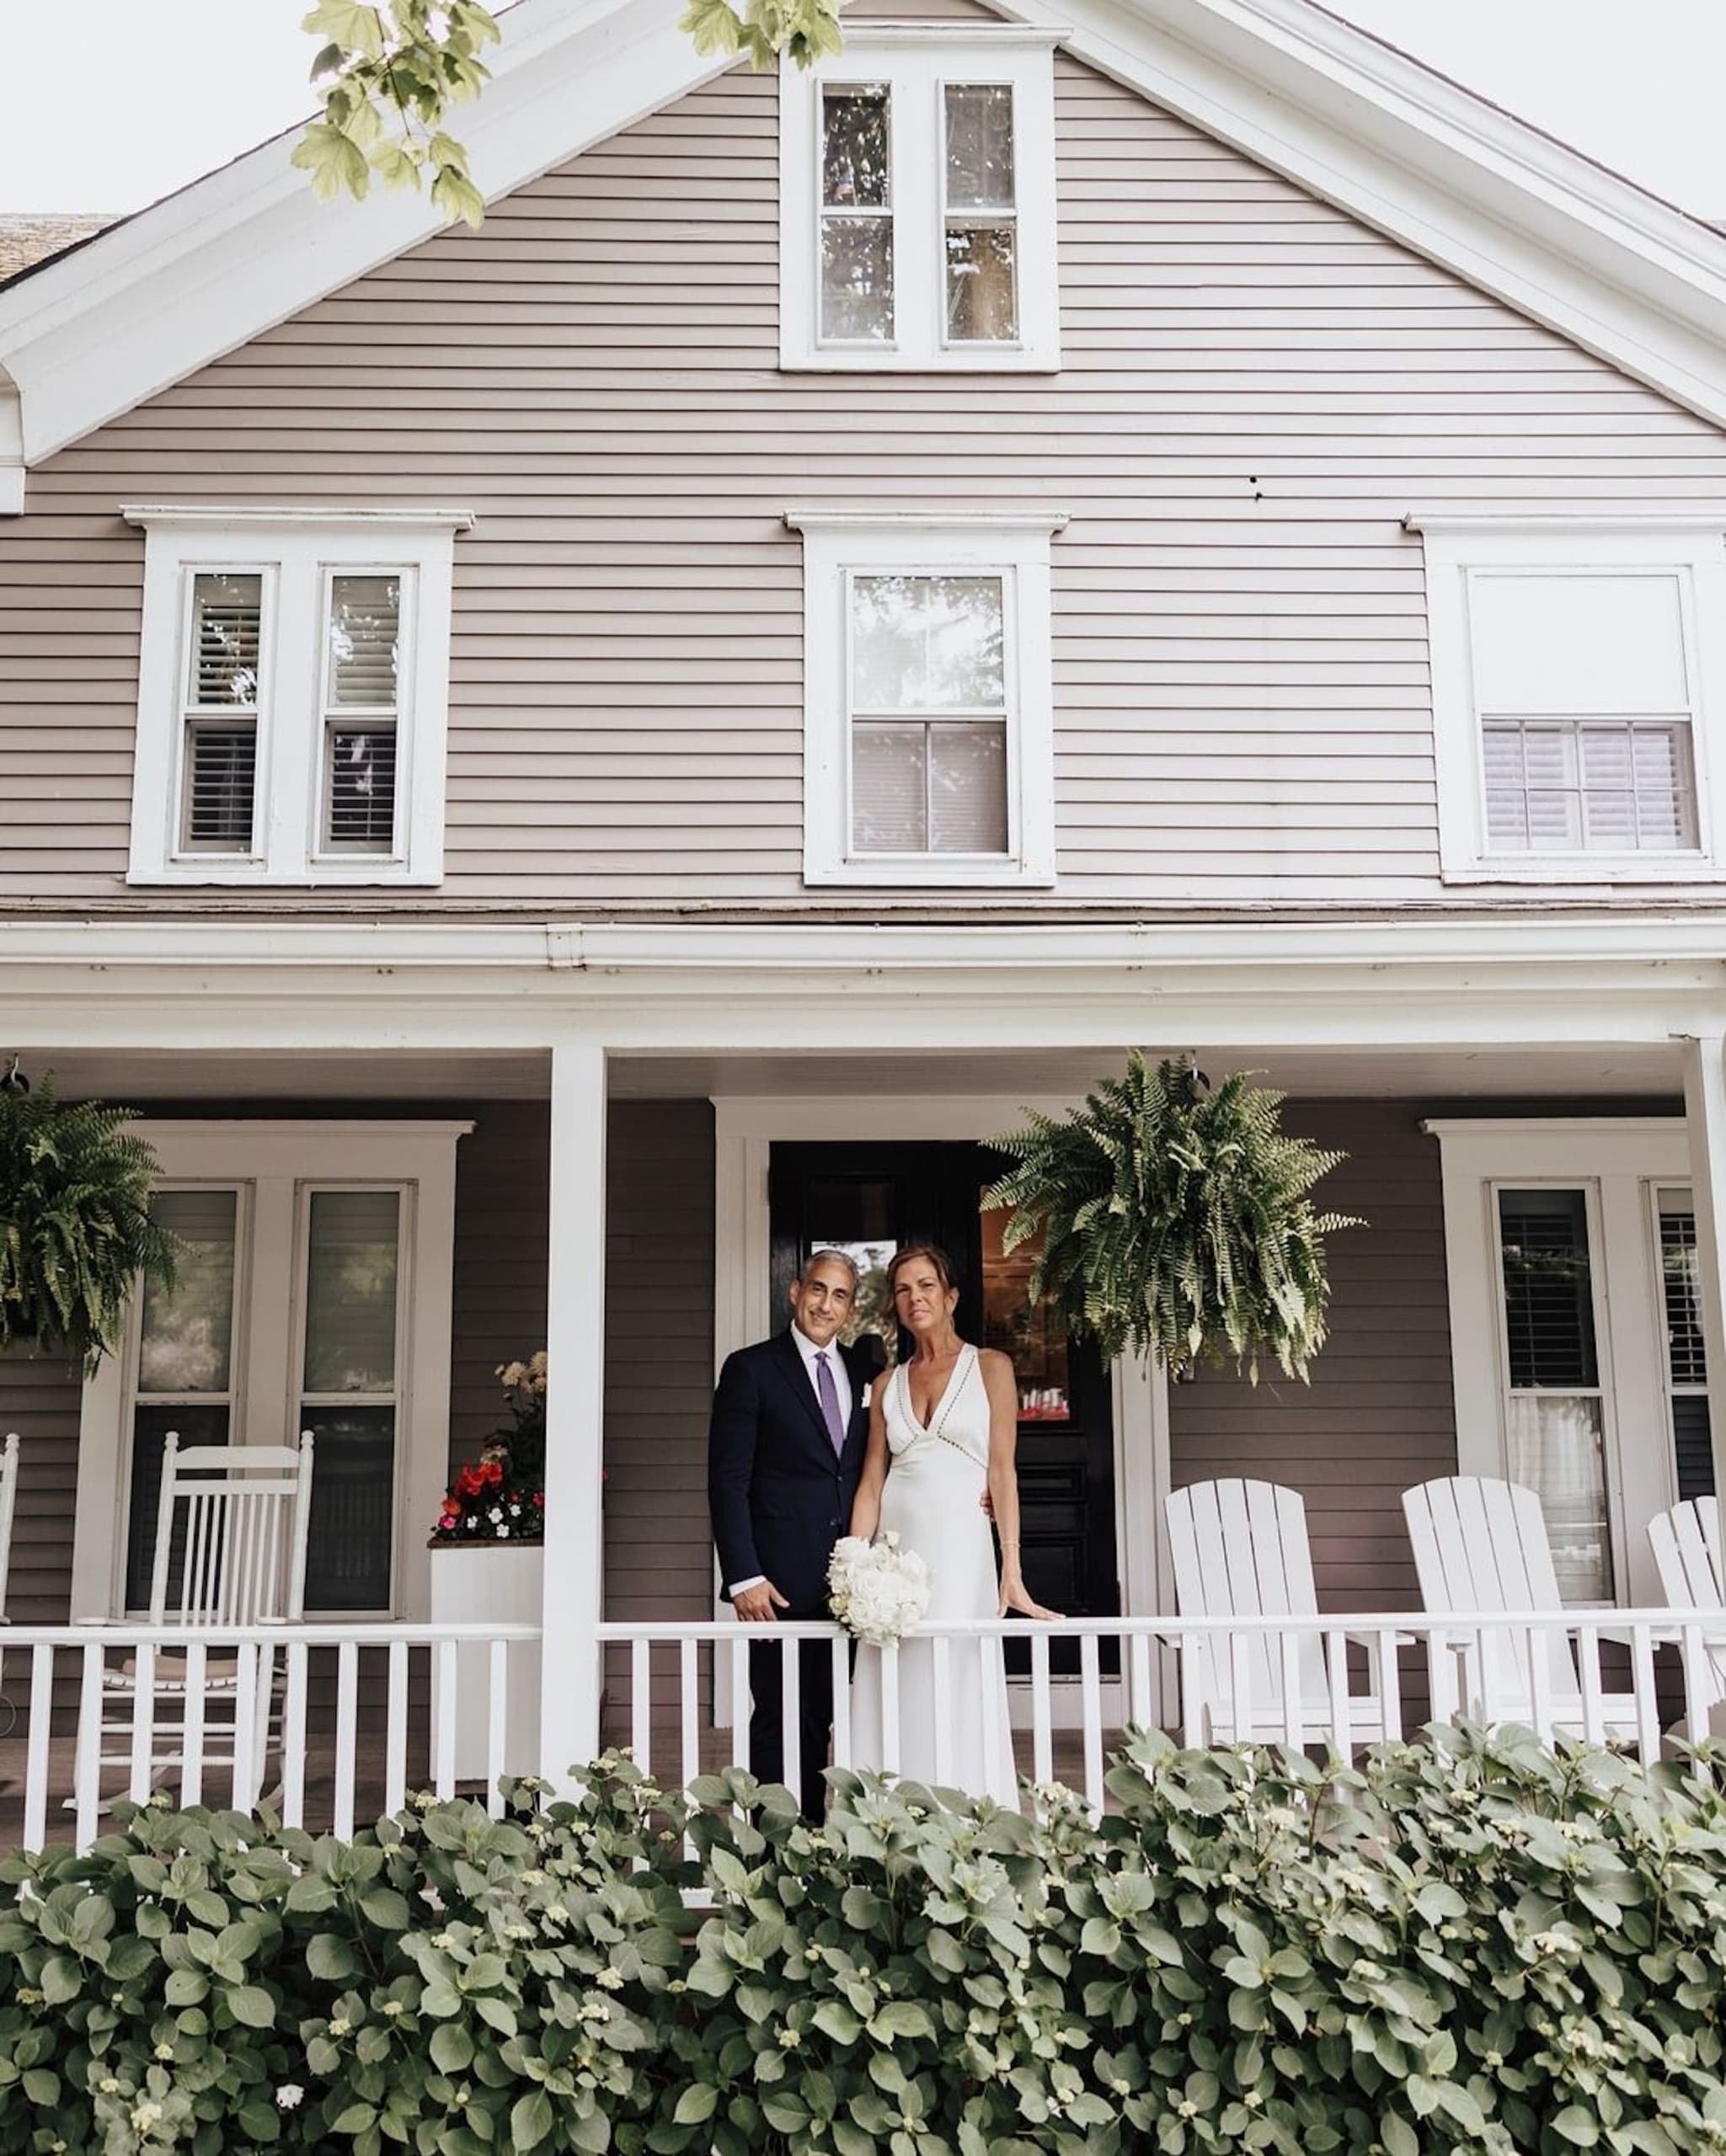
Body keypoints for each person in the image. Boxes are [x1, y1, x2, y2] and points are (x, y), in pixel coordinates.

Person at [847, 1244, 1057, 1806]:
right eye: (902, 1290)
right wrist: (851, 1563)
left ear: (951, 1296)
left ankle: (965, 1813)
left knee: (956, 1676)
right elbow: (871, 1479)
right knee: (895, 1673)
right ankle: (886, 1809)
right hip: (895, 1556)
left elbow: (1002, 1470)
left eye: (926, 1287)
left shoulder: (990, 1367)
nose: (914, 1298)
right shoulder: (885, 1384)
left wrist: (1010, 1567)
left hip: (961, 1553)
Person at [708, 1249, 877, 1822]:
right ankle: (778, 1850)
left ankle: (822, 1835)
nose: (825, 1304)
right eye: (817, 1290)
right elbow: (727, 1481)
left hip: (850, 1581)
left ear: (851, 1308)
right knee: (780, 1716)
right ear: (794, 1292)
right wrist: (743, 1576)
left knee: (832, 1713)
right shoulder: (750, 1368)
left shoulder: (864, 1372)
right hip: (775, 1583)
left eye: (839, 1296)